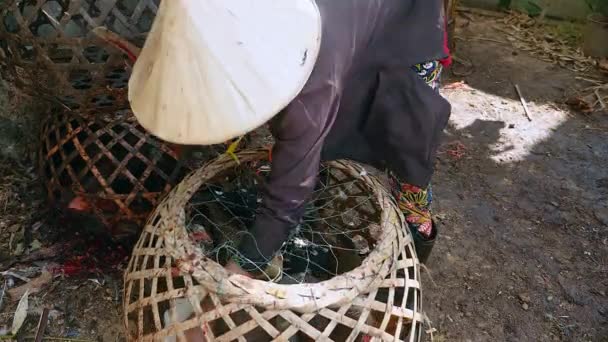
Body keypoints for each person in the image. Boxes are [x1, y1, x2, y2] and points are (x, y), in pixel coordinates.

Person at [129, 0, 452, 279]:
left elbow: (288, 190)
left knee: (406, 147)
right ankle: (310, 206)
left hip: (408, 24)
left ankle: (400, 274)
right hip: (347, 26)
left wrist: (243, 267)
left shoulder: (310, 73)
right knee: (312, 134)